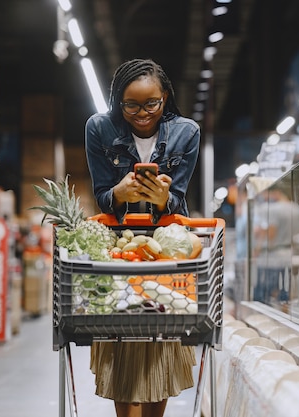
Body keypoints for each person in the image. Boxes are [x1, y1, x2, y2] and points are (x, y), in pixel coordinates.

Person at [85, 58, 200, 417]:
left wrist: (163, 198)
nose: (142, 113)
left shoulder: (186, 132)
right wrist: (120, 192)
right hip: (118, 253)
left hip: (165, 253)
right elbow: (102, 196)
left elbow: (178, 201)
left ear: (165, 97)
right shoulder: (99, 128)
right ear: (118, 100)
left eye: (152, 103)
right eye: (131, 105)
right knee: (124, 345)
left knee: (161, 346)